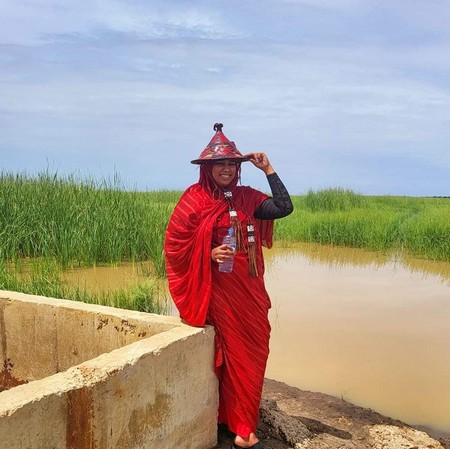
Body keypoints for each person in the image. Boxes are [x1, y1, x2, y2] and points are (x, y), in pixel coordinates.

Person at [164, 123, 293, 449]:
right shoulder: (193, 200)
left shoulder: (246, 196)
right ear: (207, 168)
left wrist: (268, 169)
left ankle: (230, 418)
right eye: (220, 164)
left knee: (256, 350)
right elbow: (174, 246)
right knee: (234, 357)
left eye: (232, 164)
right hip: (219, 292)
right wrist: (208, 253)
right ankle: (244, 432)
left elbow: (283, 207)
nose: (226, 169)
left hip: (250, 290)